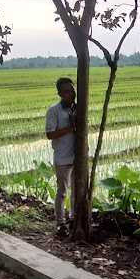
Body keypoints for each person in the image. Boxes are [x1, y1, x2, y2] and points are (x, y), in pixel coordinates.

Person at [45, 77, 77, 235]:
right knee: (62, 191)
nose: (70, 94)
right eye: (66, 91)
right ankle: (60, 223)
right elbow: (50, 134)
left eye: (72, 90)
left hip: (77, 157)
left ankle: (73, 218)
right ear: (59, 93)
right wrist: (70, 127)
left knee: (77, 191)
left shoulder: (78, 108)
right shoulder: (54, 111)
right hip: (63, 157)